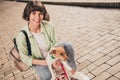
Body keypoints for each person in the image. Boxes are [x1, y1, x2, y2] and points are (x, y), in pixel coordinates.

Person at [16, 1, 77, 80]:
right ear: (28, 14)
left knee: (68, 46)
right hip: (39, 60)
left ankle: (74, 72)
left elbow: (54, 44)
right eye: (34, 13)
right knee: (47, 76)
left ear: (43, 15)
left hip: (50, 54)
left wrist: (56, 58)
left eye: (40, 14)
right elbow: (25, 58)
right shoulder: (21, 36)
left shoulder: (49, 26)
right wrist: (46, 63)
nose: (37, 17)